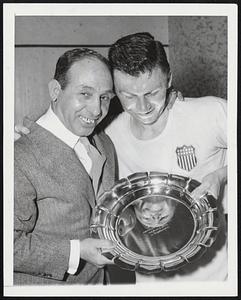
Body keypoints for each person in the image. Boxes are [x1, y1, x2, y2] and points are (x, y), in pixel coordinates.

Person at [105, 32, 227, 281]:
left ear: (170, 79)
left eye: (152, 93)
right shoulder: (110, 136)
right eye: (128, 96)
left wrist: (221, 175)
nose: (142, 107)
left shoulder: (211, 113)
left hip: (218, 278)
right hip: (150, 281)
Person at [14, 48, 119, 285]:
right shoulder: (17, 154)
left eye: (105, 97)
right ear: (55, 91)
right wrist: (77, 251)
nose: (96, 110)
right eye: (85, 93)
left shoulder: (104, 142)